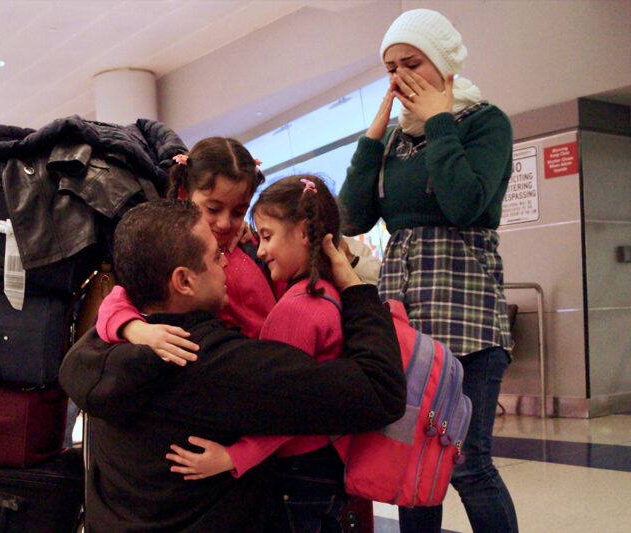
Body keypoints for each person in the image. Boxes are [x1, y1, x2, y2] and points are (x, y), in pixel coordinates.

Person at [58, 198, 406, 533]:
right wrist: (356, 291)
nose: (227, 263)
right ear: (183, 280)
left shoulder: (104, 342)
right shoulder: (216, 365)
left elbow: (78, 355)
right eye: (214, 256)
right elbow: (380, 390)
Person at [338, 8, 518, 533]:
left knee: (467, 462)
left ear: (442, 62)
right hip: (406, 318)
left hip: (467, 312)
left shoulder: (484, 121)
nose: (399, 77)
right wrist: (372, 138)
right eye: (391, 68)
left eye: (412, 62)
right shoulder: (394, 141)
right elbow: (352, 216)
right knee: (413, 458)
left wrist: (439, 120)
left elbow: (464, 203)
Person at [166, 175, 350, 532]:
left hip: (298, 470)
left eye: (267, 236)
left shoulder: (297, 309)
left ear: (303, 233)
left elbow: (281, 408)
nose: (261, 250)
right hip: (325, 464)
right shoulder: (328, 292)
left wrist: (232, 457)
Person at [95, 136, 277, 363]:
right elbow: (115, 303)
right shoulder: (166, 253)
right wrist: (137, 330)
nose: (224, 223)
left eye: (238, 212)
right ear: (183, 193)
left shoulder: (254, 247)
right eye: (213, 208)